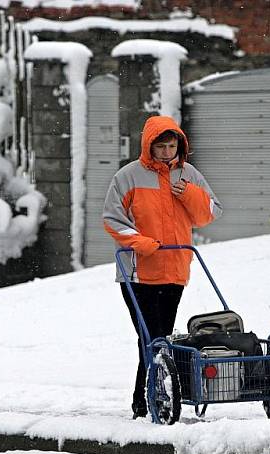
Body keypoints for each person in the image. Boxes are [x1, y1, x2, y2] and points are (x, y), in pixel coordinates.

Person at [103, 115, 222, 419]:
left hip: (174, 269)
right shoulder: (128, 177)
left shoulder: (189, 175)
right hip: (137, 273)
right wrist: (142, 243)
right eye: (161, 146)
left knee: (161, 338)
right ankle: (147, 400)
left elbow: (210, 212)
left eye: (172, 146)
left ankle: (149, 400)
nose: (167, 152)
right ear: (149, 146)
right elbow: (112, 219)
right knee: (151, 337)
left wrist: (189, 194)